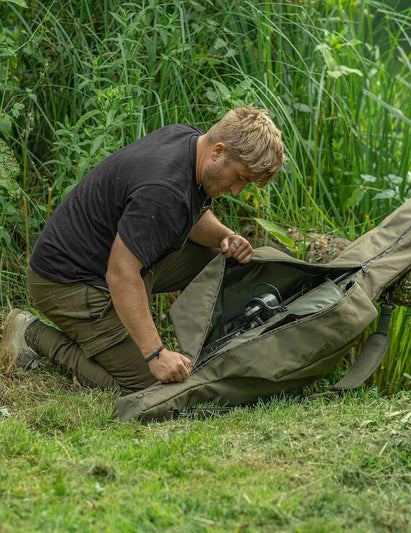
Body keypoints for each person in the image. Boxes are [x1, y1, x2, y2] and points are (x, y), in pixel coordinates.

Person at [1, 106, 284, 394]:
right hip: (67, 282)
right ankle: (31, 333)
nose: (237, 191)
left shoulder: (191, 144)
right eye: (240, 178)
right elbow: (121, 274)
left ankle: (196, 337)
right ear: (218, 151)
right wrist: (155, 354)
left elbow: (190, 215)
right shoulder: (164, 190)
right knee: (149, 387)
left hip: (110, 262)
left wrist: (226, 235)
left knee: (214, 258)